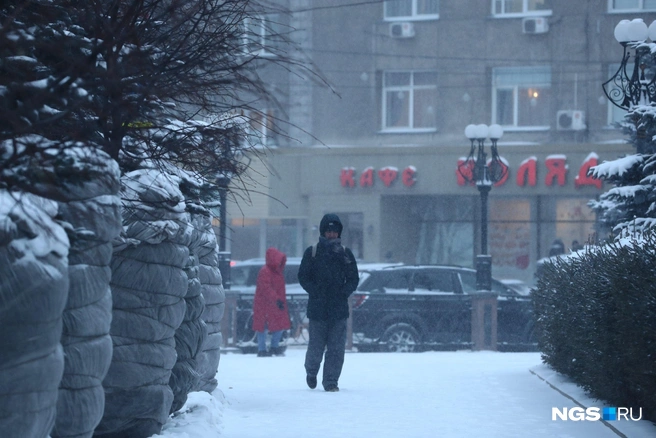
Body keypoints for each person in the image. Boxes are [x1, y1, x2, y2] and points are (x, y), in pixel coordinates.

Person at [297, 213, 359, 392]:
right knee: (316, 346)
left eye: (334, 231)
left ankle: (331, 381)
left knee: (336, 349)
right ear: (323, 232)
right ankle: (311, 370)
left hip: (338, 310)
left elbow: (353, 278)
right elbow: (303, 276)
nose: (332, 234)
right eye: (328, 231)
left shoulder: (346, 254)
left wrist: (344, 292)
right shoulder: (312, 252)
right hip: (318, 309)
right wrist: (315, 291)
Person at [252, 247, 290, 357]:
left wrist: (277, 300)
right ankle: (264, 348)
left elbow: (267, 288)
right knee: (263, 326)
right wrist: (277, 299)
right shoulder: (267, 272)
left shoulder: (272, 272)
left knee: (275, 325)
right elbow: (266, 288)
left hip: (271, 303)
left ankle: (269, 348)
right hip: (266, 303)